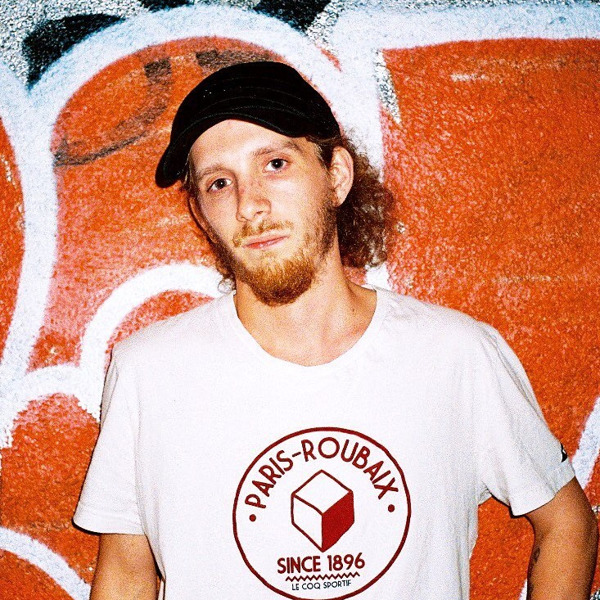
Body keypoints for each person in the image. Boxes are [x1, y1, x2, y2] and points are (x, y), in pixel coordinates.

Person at [74, 61, 597, 600]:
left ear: (337, 177)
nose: (250, 204)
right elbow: (126, 572)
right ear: (202, 214)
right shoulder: (149, 370)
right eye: (219, 182)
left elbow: (568, 526)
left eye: (275, 163)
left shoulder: (455, 354)